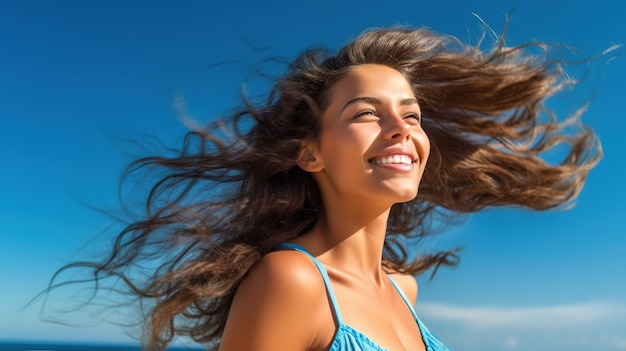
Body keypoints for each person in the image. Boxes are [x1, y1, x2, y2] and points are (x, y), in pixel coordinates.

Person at [50, 26, 600, 351]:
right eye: (367, 113)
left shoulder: (404, 290)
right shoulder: (290, 281)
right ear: (309, 152)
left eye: (411, 115)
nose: (402, 129)